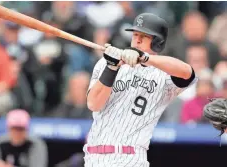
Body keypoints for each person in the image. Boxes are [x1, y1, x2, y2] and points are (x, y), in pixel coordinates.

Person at [84, 13, 198, 167]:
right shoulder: (106, 63)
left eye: (144, 36)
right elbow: (93, 104)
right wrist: (111, 67)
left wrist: (144, 57)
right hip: (92, 157)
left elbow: (188, 73)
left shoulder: (164, 75)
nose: (136, 39)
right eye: (135, 34)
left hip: (129, 157)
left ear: (157, 42)